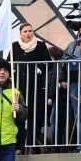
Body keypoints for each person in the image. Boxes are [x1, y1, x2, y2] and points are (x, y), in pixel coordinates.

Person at [9, 23, 51, 153]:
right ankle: (19, 146)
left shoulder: (40, 46)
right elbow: (9, 64)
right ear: (20, 33)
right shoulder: (15, 46)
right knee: (19, 115)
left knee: (34, 116)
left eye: (30, 31)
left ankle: (32, 144)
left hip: (35, 87)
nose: (28, 33)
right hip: (19, 87)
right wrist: (13, 72)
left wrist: (40, 69)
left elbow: (48, 63)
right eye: (25, 31)